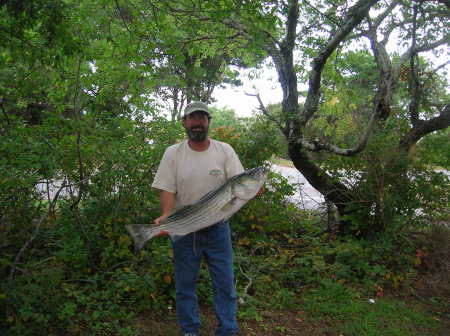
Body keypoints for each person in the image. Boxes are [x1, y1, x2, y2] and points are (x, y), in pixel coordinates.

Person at [151, 101, 244, 336]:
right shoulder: (173, 153)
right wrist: (167, 216)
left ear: (208, 122)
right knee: (185, 286)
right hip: (185, 227)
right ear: (184, 123)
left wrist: (256, 186)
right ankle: (190, 330)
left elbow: (240, 184)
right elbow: (167, 189)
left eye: (201, 118)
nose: (197, 123)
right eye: (192, 119)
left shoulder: (225, 150)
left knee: (224, 284)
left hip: (218, 229)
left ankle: (228, 330)